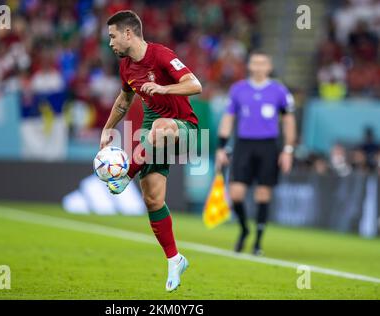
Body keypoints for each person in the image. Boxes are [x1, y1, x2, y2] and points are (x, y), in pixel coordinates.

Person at [100, 10, 202, 292]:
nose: (110, 43)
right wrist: (108, 129)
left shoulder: (161, 55)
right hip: (152, 133)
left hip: (183, 128)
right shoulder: (126, 68)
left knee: (158, 126)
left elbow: (196, 85)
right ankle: (174, 259)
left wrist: (162, 89)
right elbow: (124, 100)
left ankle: (125, 175)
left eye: (113, 36)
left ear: (128, 34)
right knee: (153, 200)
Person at [215, 51, 296, 256]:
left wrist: (287, 150)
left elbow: (288, 121)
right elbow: (228, 118)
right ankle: (244, 229)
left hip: (268, 146)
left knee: (263, 194)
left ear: (269, 67)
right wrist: (221, 147)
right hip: (244, 145)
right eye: (255, 63)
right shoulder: (238, 89)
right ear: (249, 66)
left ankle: (258, 243)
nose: (259, 66)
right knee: (236, 194)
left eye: (263, 63)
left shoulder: (279, 90)